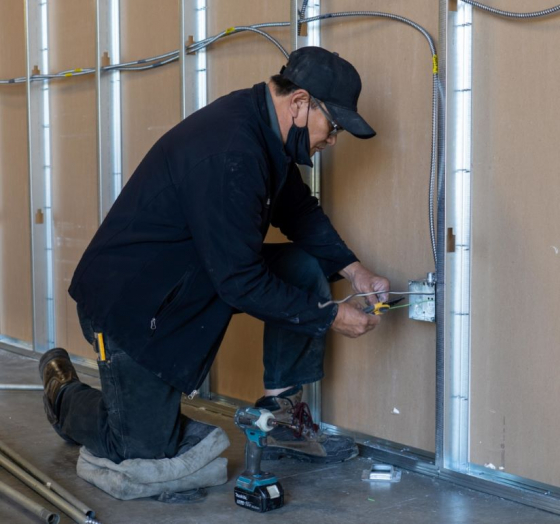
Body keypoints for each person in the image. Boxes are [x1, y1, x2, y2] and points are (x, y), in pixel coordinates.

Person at [39, 46, 390, 468]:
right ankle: (62, 392)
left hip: (192, 275)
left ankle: (277, 422)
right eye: (332, 126)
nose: (331, 140)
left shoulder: (263, 130)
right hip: (132, 304)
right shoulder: (232, 152)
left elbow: (298, 212)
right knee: (138, 447)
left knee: (303, 269)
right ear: (299, 103)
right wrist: (330, 316)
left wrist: (356, 272)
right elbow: (241, 283)